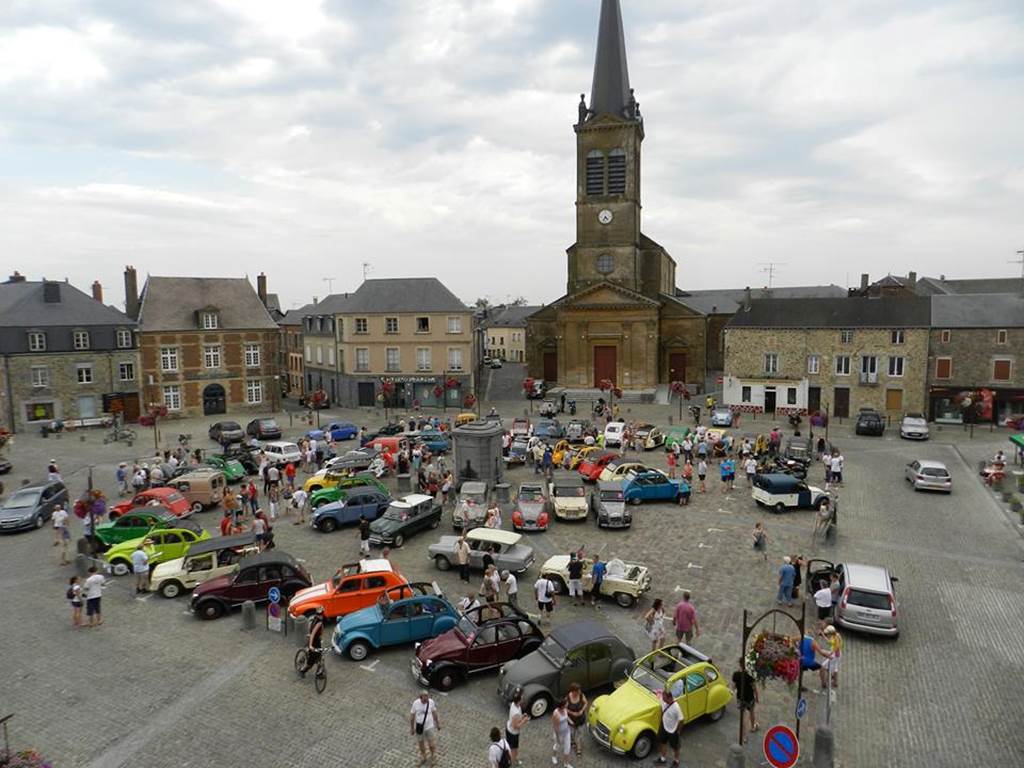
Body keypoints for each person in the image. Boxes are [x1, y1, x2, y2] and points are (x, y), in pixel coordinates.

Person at [410, 690, 440, 766]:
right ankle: (424, 756)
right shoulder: (416, 703)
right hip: (419, 727)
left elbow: (434, 713)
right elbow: (412, 716)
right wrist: (412, 728)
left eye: (427, 697)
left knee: (431, 744)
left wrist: (437, 724)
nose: (426, 699)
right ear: (421, 697)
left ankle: (433, 756)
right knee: (421, 743)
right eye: (424, 698)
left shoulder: (431, 702)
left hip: (429, 726)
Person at [732, 659, 759, 740]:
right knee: (751, 712)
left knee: (742, 717)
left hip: (740, 698)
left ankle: (744, 737)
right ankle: (753, 726)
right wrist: (757, 697)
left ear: (739, 664)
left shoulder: (736, 674)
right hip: (749, 698)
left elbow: (733, 687)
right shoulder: (750, 676)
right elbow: (754, 688)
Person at [656, 687, 682, 767]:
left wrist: (678, 730)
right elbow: (658, 695)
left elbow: (681, 720)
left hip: (672, 730)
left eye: (664, 698)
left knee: (675, 747)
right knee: (663, 742)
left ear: (670, 698)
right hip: (664, 726)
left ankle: (676, 761)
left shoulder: (676, 708)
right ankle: (663, 758)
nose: (662, 699)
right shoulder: (664, 701)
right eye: (663, 697)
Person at [505, 688, 529, 765]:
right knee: (514, 750)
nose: (523, 698)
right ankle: (512, 762)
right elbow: (516, 726)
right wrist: (524, 721)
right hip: (512, 733)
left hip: (509, 729)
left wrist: (522, 716)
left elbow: (516, 719)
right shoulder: (516, 713)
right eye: (522, 698)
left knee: (512, 748)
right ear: (519, 700)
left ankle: (512, 759)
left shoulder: (514, 704)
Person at [565, 682, 588, 758]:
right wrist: (572, 713)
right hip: (571, 720)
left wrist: (581, 710)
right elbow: (564, 709)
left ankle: (579, 748)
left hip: (580, 719)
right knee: (572, 732)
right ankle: (572, 742)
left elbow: (585, 703)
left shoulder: (581, 695)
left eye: (579, 690)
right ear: (573, 691)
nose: (579, 692)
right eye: (577, 690)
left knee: (579, 734)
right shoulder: (568, 697)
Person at [551, 699, 572, 768]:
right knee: (557, 745)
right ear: (562, 706)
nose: (567, 704)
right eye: (566, 704)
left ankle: (566, 763)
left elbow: (567, 716)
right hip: (559, 733)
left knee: (567, 748)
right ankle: (554, 756)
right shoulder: (556, 714)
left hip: (566, 731)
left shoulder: (565, 709)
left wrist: (570, 721)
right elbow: (555, 727)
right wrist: (557, 738)